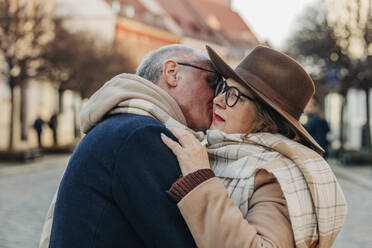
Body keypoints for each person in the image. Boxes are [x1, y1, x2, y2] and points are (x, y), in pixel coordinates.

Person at [161, 46, 347, 247]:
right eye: (223, 89)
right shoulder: (218, 152)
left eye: (234, 96)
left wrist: (199, 181)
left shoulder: (275, 176)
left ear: (265, 119)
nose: (218, 100)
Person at [40, 44, 218, 247]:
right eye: (211, 81)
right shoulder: (142, 136)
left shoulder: (124, 125)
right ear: (172, 73)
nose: (218, 96)